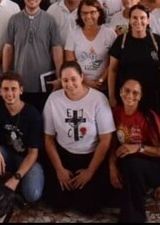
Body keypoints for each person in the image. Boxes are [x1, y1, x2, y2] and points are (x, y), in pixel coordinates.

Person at [43, 61, 114, 215]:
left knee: (88, 207)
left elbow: (105, 140)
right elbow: (48, 138)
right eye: (65, 80)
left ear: (81, 77)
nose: (70, 84)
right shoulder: (53, 100)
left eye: (73, 79)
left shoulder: (98, 99)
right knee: (58, 203)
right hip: (64, 155)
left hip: (90, 156)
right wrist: (59, 169)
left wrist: (90, 171)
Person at [110, 78, 160, 223]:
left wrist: (138, 147)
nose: (130, 95)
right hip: (127, 162)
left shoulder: (148, 116)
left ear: (140, 96)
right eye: (126, 91)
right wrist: (112, 167)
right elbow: (112, 145)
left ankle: (134, 217)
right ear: (120, 92)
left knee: (131, 164)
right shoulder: (115, 113)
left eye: (135, 93)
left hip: (155, 164)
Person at [0, 71, 44, 204]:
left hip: (26, 159)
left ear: (21, 90)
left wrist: (16, 178)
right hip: (5, 155)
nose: (9, 93)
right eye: (5, 89)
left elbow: (33, 153)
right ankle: (0, 187)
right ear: (0, 91)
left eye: (13, 89)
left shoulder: (32, 114)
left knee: (32, 194)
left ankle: (14, 185)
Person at [2, 0, 63, 111]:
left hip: (43, 83)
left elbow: (57, 49)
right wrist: (5, 76)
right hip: (19, 82)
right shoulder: (14, 20)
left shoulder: (50, 20)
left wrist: (59, 77)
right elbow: (8, 48)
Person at [107, 4, 160, 115]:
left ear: (148, 20)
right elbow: (112, 70)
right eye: (135, 18)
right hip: (127, 97)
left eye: (142, 18)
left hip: (152, 98)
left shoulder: (157, 41)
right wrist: (111, 96)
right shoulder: (121, 41)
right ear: (130, 20)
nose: (138, 21)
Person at [64, 0, 116, 91]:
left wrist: (101, 80)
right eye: (84, 13)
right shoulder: (73, 34)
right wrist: (86, 81)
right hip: (79, 84)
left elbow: (113, 63)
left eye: (92, 12)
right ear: (80, 15)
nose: (88, 16)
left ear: (99, 13)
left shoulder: (110, 34)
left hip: (104, 85)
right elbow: (70, 63)